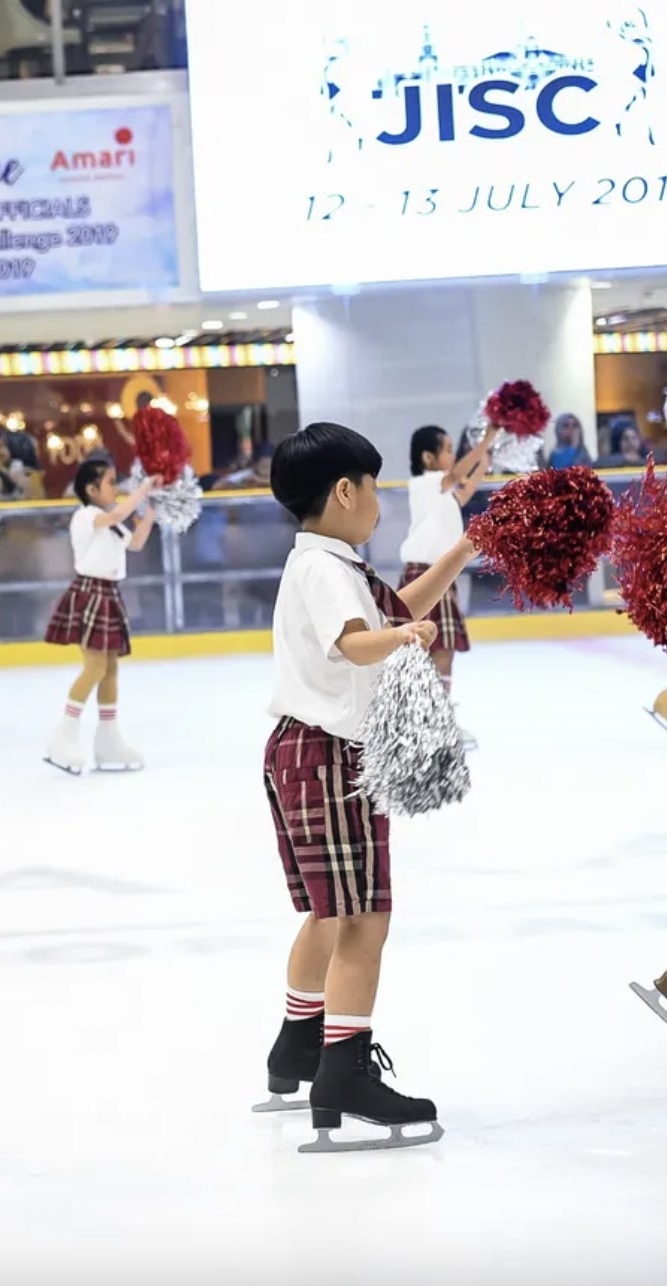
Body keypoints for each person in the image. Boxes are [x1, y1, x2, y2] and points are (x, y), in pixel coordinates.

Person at [256, 421, 474, 1153]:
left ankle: (300, 1042)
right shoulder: (324, 572)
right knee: (362, 920)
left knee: (331, 913)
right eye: (372, 487)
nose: (377, 500)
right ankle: (343, 1070)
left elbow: (398, 608)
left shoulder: (332, 562)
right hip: (327, 756)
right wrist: (404, 642)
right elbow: (357, 642)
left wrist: (462, 551)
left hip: (307, 751)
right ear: (345, 491)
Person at [43, 459, 156, 774]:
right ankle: (63, 736)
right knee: (94, 668)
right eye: (110, 482)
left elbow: (135, 543)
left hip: (108, 593)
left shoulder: (110, 522)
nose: (117, 488)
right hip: (90, 594)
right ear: (91, 490)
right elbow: (119, 513)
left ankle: (108, 739)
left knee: (109, 670)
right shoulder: (86, 516)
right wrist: (143, 488)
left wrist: (150, 515)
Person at [400, 424, 497, 748]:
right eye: (447, 449)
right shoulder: (425, 484)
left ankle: (435, 720)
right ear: (428, 457)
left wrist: (485, 459)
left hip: (438, 576)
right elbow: (457, 476)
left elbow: (465, 490)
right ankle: (427, 722)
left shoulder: (441, 491)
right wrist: (486, 439)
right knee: (432, 652)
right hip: (425, 576)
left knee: (442, 651)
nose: (452, 456)